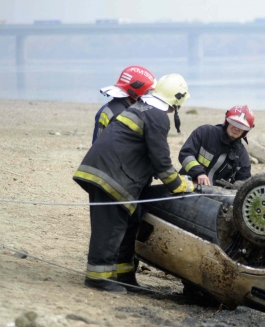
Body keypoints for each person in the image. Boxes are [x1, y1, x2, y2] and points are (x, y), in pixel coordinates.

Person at [73, 74, 193, 293]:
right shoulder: (158, 116)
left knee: (124, 226)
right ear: (177, 101)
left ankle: (123, 277)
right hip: (111, 176)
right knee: (109, 228)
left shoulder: (142, 107)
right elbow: (161, 160)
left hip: (107, 172)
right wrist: (180, 185)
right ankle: (98, 278)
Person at [178, 105, 254, 186]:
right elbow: (185, 154)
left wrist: (236, 186)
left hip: (214, 195)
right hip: (186, 186)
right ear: (227, 122)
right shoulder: (204, 132)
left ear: (245, 131)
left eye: (242, 126)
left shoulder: (241, 154)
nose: (236, 128)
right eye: (234, 122)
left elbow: (244, 179)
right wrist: (198, 172)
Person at [92, 66, 155, 144]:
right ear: (136, 91)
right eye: (147, 92)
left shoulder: (108, 107)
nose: (147, 96)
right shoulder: (122, 114)